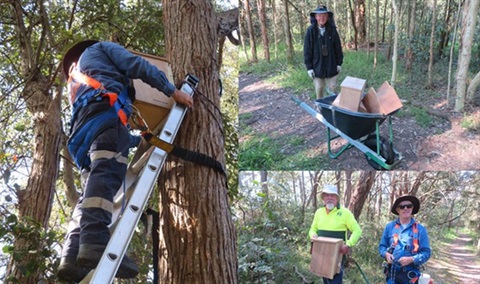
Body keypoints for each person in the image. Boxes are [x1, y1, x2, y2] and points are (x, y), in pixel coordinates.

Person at [57, 40, 194, 282]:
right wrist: (173, 91)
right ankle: (95, 242)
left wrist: (137, 141)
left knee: (91, 188)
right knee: (106, 175)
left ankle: (70, 257)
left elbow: (100, 124)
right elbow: (136, 64)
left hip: (83, 133)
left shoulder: (76, 80)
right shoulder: (101, 48)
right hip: (105, 118)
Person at [308, 185, 362, 284]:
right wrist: (312, 235)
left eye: (332, 195)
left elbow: (357, 230)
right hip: (321, 253)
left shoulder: (345, 212)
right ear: (323, 198)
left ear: (337, 198)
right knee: (325, 278)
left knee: (335, 280)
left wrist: (348, 244)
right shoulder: (319, 212)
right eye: (326, 195)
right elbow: (312, 229)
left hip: (337, 255)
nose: (329, 198)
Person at [379, 195, 431, 284]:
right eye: (402, 206)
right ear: (397, 210)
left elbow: (426, 252)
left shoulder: (420, 229)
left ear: (412, 208)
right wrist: (386, 254)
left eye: (409, 206)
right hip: (392, 275)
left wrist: (412, 259)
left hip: (411, 276)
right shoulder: (389, 227)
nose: (406, 208)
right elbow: (382, 247)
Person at [304, 6, 343, 99]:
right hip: (317, 66)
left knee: (333, 89)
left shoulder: (332, 30)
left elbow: (338, 48)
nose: (322, 18)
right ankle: (320, 109)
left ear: (327, 17)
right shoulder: (311, 31)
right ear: (316, 17)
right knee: (319, 88)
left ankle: (334, 110)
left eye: (324, 16)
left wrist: (339, 63)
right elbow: (307, 50)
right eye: (319, 16)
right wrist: (309, 68)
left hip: (331, 65)